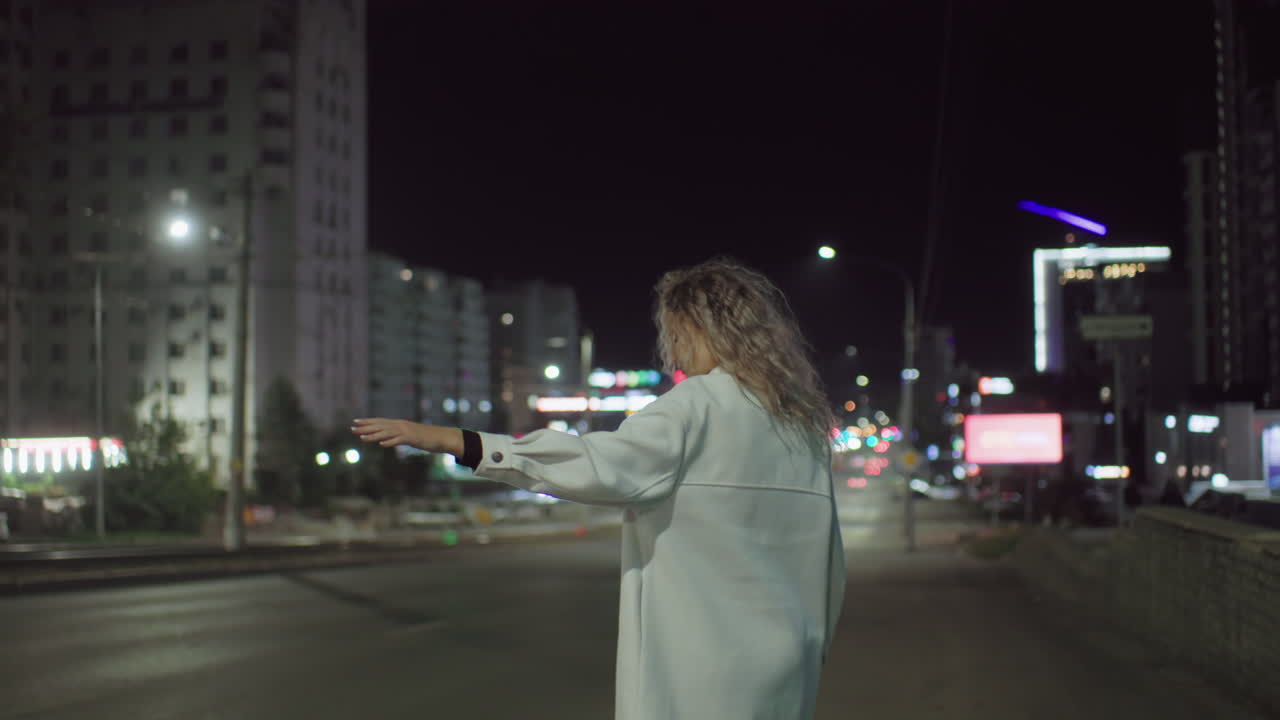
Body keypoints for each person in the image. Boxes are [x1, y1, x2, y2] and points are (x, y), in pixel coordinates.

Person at [353, 258, 845, 719]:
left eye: (675, 335)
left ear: (700, 328)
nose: (674, 350)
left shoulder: (697, 405)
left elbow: (596, 464)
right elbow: (828, 567)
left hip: (702, 674)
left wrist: (453, 440)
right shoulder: (802, 430)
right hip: (787, 670)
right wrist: (811, 648)